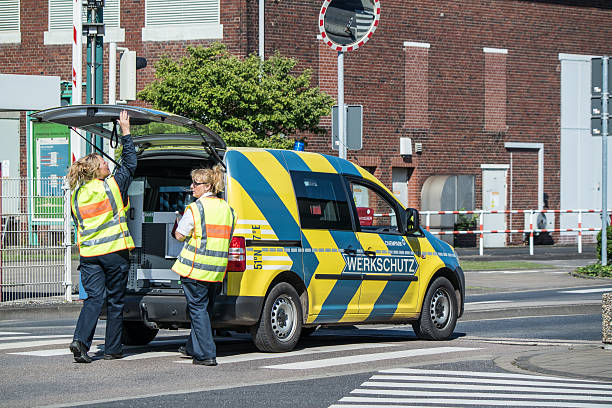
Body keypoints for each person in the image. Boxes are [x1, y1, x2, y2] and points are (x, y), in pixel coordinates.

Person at [68, 110, 137, 363]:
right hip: (114, 253)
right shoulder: (112, 186)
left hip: (88, 255)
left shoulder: (77, 195)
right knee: (116, 301)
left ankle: (80, 341)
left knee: (93, 300)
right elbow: (130, 163)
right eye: (105, 163)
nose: (109, 165)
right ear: (97, 170)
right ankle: (112, 349)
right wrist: (126, 132)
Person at [172, 164, 235, 366]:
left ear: (207, 186)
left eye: (196, 183)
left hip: (195, 268)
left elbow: (180, 236)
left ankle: (206, 354)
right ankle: (193, 347)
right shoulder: (228, 209)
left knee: (197, 309)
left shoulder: (195, 208)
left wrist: (177, 222)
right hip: (216, 270)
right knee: (204, 309)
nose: (192, 187)